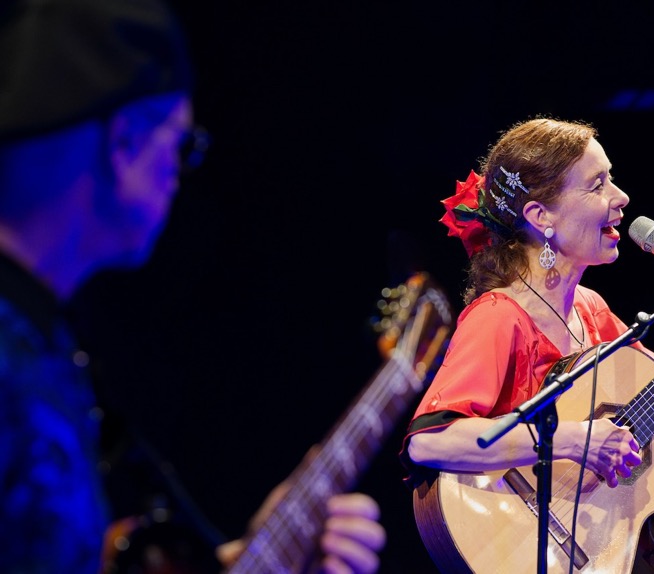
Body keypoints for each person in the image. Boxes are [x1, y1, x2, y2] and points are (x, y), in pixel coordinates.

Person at [0, 0, 385, 572]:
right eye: (181, 145)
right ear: (125, 143)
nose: (178, 176)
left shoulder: (39, 337)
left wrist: (246, 559)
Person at [398, 117, 654, 573]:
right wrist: (573, 440)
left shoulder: (590, 309)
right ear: (541, 217)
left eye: (611, 179)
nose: (621, 198)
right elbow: (430, 442)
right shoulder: (499, 315)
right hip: (516, 544)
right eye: (597, 185)